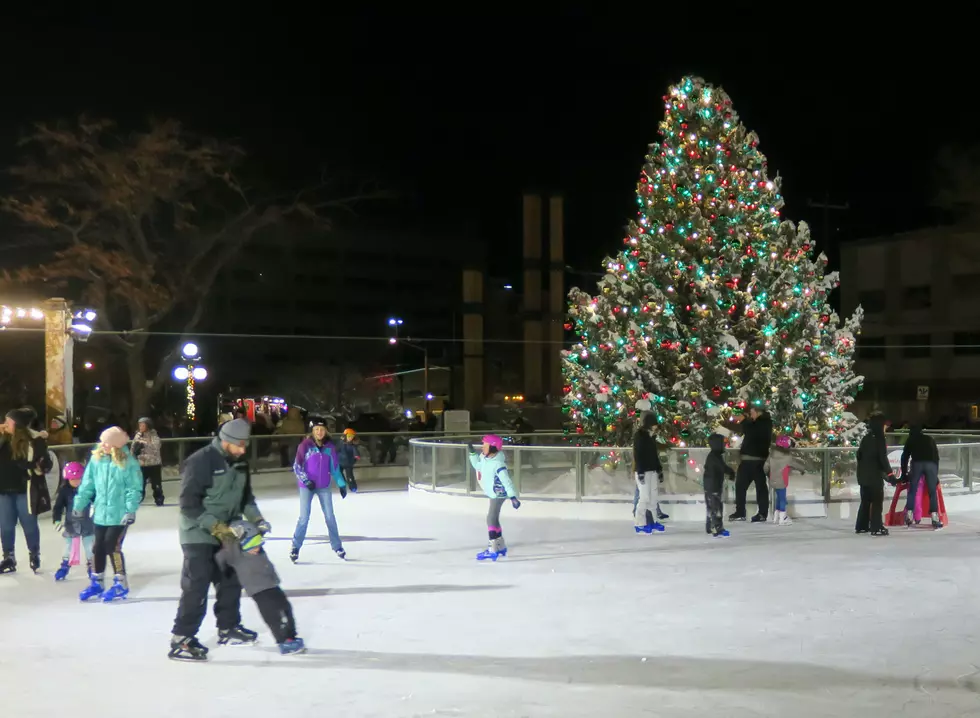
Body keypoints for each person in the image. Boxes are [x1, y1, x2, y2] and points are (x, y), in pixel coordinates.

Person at [170, 418, 270, 661]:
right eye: (239, 446)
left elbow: (246, 497)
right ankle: (181, 639)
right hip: (197, 532)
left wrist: (257, 520)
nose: (243, 450)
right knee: (197, 584)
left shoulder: (240, 462)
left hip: (229, 529)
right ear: (226, 442)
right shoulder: (201, 461)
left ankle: (228, 627)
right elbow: (188, 505)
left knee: (229, 580)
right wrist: (217, 528)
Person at [74, 427, 143, 602]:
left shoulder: (128, 463)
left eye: (107, 442)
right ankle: (96, 581)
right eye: (102, 441)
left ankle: (121, 583)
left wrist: (130, 510)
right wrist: (79, 504)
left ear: (116, 445)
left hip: (119, 515)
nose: (102, 444)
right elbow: (87, 484)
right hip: (100, 513)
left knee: (112, 546)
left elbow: (133, 489)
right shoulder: (96, 461)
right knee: (98, 547)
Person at [217, 520, 306, 655]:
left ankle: (290, 636)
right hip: (258, 590)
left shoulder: (257, 550)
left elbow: (256, 532)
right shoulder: (236, 555)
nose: (257, 546)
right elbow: (223, 554)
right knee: (273, 615)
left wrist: (261, 527)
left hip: (272, 584)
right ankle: (283, 641)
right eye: (252, 544)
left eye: (259, 541)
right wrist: (230, 537)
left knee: (286, 608)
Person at [0, 407, 52, 574]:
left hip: (25, 489)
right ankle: (9, 556)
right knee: (6, 526)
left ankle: (34, 553)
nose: (5, 423)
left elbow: (46, 464)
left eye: (8, 420)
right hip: (4, 490)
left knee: (28, 524)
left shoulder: (34, 441)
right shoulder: (2, 439)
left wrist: (34, 466)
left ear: (17, 424)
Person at [290, 417, 348, 563]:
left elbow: (334, 468)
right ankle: (295, 547)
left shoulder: (330, 447)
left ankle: (337, 546)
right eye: (316, 429)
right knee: (304, 518)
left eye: (322, 429)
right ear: (313, 431)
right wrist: (305, 480)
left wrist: (341, 484)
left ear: (326, 431)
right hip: (307, 486)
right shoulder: (305, 446)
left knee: (330, 516)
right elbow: (297, 466)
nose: (319, 432)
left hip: (323, 486)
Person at [467, 434, 520, 561]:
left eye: (485, 445)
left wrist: (513, 497)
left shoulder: (498, 464)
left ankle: (493, 548)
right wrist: (472, 453)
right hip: (493, 493)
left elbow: (507, 482)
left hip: (498, 494)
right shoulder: (484, 459)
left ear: (493, 447)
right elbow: (478, 466)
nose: (482, 448)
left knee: (491, 518)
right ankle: (500, 545)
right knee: (494, 519)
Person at [729, 404, 773, 523]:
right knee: (747, 487)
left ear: (758, 412)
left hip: (754, 461)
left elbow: (752, 431)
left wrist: (743, 420)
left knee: (757, 488)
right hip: (750, 460)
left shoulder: (763, 423)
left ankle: (758, 513)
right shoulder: (759, 423)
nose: (751, 415)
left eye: (753, 412)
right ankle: (745, 512)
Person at [53, 461, 95, 581]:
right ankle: (65, 566)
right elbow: (58, 507)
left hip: (87, 524)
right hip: (71, 525)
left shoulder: (88, 489)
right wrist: (56, 520)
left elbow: (96, 501)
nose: (76, 482)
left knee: (89, 547)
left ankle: (92, 566)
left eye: (78, 479)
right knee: (68, 547)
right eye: (73, 479)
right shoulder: (64, 491)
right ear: (67, 479)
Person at [855, 413, 896, 536]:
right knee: (877, 501)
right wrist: (890, 474)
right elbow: (883, 459)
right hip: (874, 477)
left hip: (862, 475)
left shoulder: (866, 438)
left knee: (865, 501)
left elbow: (859, 455)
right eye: (884, 425)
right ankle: (876, 527)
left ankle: (861, 526)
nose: (885, 428)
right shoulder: (879, 439)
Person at [900, 424, 942, 530]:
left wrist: (904, 474)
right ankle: (934, 515)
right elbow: (936, 457)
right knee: (932, 491)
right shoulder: (929, 439)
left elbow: (904, 457)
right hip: (931, 464)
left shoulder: (911, 440)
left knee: (913, 489)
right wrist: (935, 474)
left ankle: (909, 513)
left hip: (917, 463)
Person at [633, 412, 665, 534]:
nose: (655, 427)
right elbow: (638, 454)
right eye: (653, 425)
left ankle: (653, 521)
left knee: (653, 498)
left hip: (652, 471)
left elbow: (654, 456)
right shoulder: (640, 436)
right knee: (644, 497)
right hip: (643, 471)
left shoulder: (651, 437)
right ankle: (640, 522)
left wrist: (659, 469)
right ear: (648, 424)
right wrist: (640, 471)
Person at [703, 431, 736, 537]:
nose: (724, 446)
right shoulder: (714, 457)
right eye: (722, 443)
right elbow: (722, 467)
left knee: (711, 507)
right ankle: (717, 528)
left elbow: (722, 467)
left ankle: (710, 527)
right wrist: (731, 472)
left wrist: (730, 472)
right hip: (713, 486)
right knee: (716, 507)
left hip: (711, 485)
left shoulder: (714, 456)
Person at [768, 435, 806, 526]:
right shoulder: (787, 457)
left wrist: (768, 473)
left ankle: (776, 517)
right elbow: (795, 464)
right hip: (782, 480)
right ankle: (782, 517)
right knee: (782, 499)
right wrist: (802, 469)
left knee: (779, 498)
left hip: (773, 479)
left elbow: (766, 466)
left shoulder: (771, 455)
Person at [132, 417, 164, 506]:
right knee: (140, 483)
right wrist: (135, 451)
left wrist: (144, 444)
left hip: (154, 463)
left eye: (143, 425)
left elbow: (156, 448)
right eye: (139, 425)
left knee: (156, 484)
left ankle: (159, 498)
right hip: (141, 464)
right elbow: (133, 448)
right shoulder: (138, 435)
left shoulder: (154, 435)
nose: (141, 427)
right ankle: (138, 498)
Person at [338, 428, 360, 493]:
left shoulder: (352, 445)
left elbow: (355, 452)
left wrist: (356, 456)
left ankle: (353, 487)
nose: (350, 438)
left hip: (348, 463)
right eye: (349, 436)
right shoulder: (341, 443)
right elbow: (335, 450)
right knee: (338, 473)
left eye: (352, 436)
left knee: (350, 475)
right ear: (345, 436)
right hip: (340, 462)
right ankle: (343, 482)